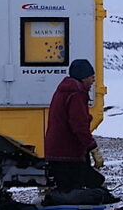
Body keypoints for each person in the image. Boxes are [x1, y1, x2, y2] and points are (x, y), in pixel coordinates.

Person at [44, 58, 106, 191]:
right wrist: (93, 148)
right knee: (76, 191)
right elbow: (79, 125)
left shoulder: (64, 90)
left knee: (66, 190)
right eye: (91, 77)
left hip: (57, 152)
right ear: (83, 78)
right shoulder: (76, 93)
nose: (93, 81)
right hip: (68, 155)